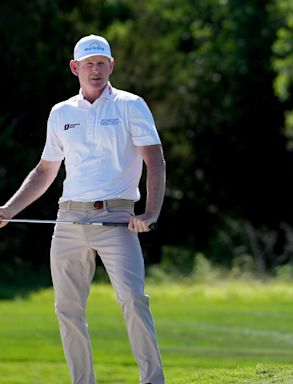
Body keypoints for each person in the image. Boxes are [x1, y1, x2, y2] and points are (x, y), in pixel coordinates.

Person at [0, 34, 166, 384]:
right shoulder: (61, 112)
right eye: (88, 64)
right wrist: (8, 210)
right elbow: (45, 170)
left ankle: (152, 380)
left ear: (111, 66)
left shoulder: (130, 105)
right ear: (75, 68)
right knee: (67, 309)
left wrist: (150, 213)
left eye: (101, 63)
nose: (95, 69)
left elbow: (155, 159)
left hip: (118, 217)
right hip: (69, 219)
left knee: (134, 299)